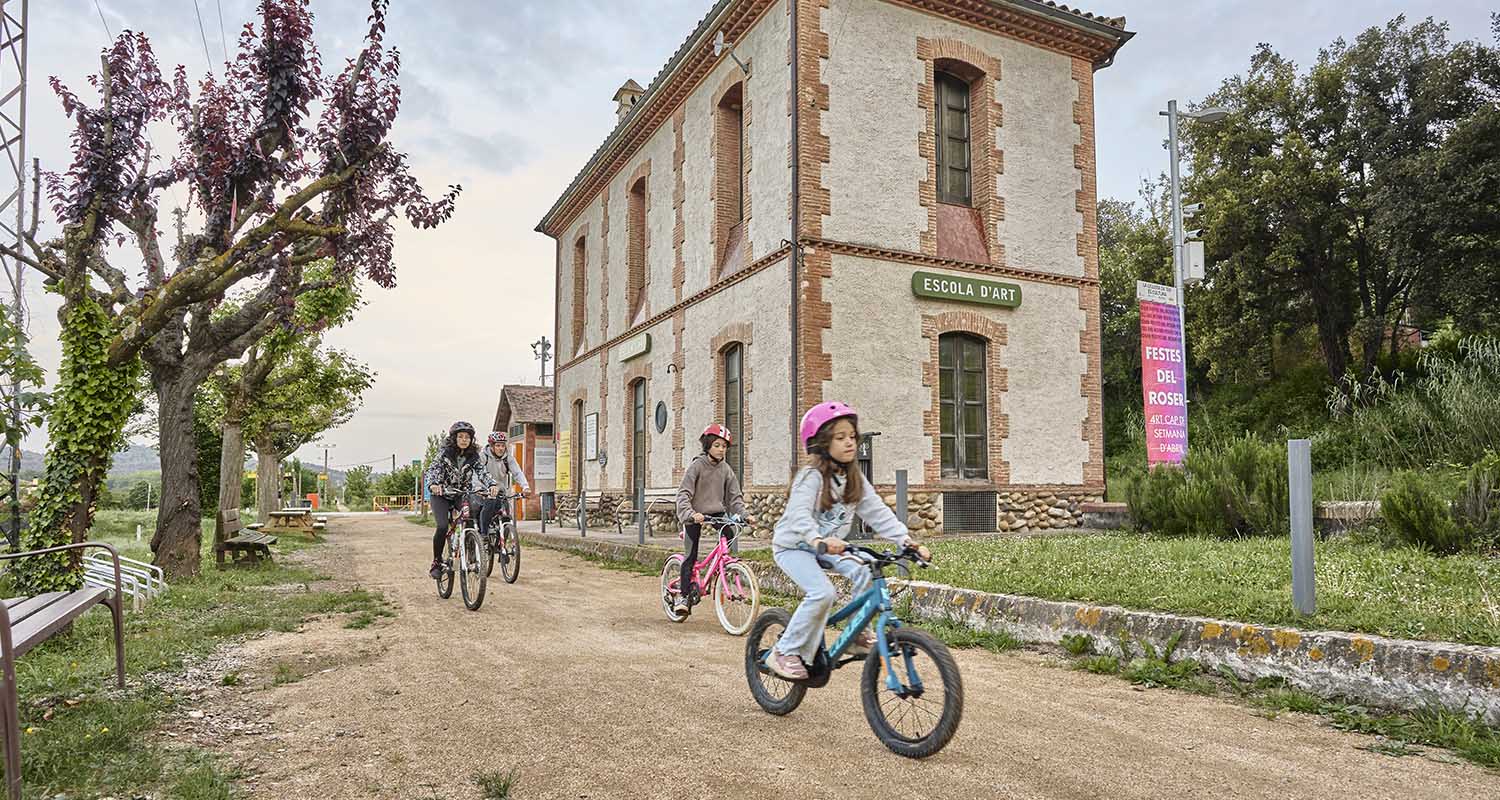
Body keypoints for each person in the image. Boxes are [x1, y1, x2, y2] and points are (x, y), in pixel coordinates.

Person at [766, 401, 930, 680]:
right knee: (823, 593)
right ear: (820, 444)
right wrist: (817, 538)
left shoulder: (854, 478)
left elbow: (877, 512)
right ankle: (784, 651)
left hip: (827, 547)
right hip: (794, 547)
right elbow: (799, 516)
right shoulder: (811, 477)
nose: (850, 442)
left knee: (866, 568)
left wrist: (906, 540)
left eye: (852, 436)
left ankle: (855, 636)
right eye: (840, 437)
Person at [672, 423, 747, 615]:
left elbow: (734, 497)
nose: (721, 449)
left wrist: (745, 515)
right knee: (691, 554)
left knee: (729, 534)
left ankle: (722, 568)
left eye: (724, 446)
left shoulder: (726, 470)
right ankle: (683, 595)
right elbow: (683, 494)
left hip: (715, 512)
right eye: (717, 445)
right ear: (708, 446)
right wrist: (690, 514)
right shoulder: (697, 466)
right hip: (694, 514)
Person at [424, 421, 492, 579]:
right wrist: (434, 484)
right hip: (441, 494)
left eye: (467, 437)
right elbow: (434, 469)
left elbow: (483, 473)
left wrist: (492, 484)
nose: (464, 440)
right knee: (442, 526)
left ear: (471, 440)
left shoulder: (474, 456)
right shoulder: (444, 453)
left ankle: (470, 553)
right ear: (454, 438)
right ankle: (437, 561)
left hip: (460, 494)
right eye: (460, 437)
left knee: (469, 518)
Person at [479, 431, 532, 542]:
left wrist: (525, 487)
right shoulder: (483, 456)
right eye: (498, 445)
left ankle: (502, 546)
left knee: (506, 517)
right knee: (489, 506)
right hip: (485, 491)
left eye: (503, 445)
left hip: (502, 491)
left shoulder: (508, 458)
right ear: (491, 446)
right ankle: (483, 534)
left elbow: (517, 473)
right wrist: (479, 489)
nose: (501, 448)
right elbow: (477, 473)